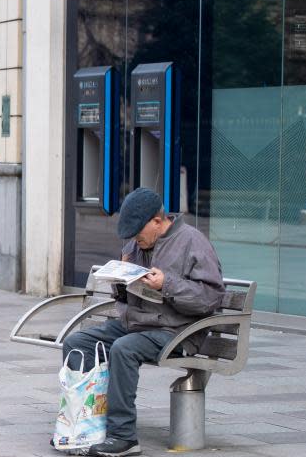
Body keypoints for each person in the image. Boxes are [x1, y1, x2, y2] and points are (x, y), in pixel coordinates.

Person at [61, 187, 225, 457]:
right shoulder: (135, 245)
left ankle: (123, 436)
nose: (136, 241)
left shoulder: (192, 242)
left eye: (139, 234)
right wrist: (120, 280)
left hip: (177, 330)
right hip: (138, 324)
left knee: (124, 349)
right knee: (78, 342)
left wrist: (167, 284)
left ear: (158, 221)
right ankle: (87, 421)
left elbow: (211, 298)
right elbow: (127, 298)